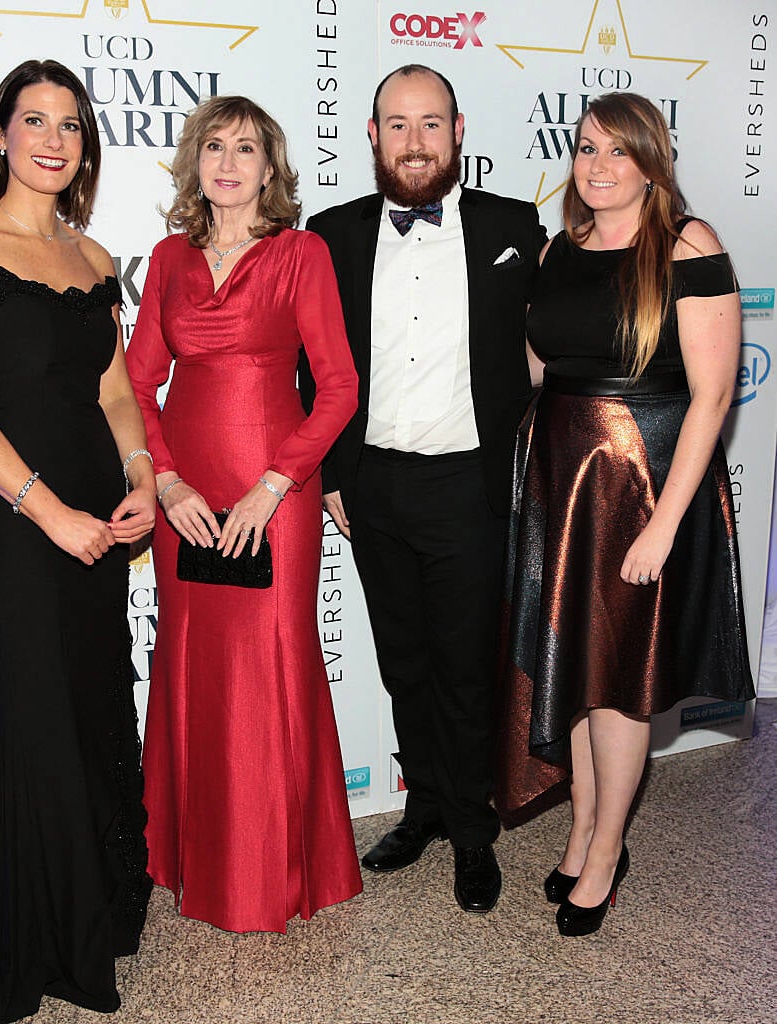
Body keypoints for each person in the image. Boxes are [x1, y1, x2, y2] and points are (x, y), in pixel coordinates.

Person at [0, 60, 154, 1021]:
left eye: (69, 123)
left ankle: (96, 907)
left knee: (98, 706)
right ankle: (41, 934)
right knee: (40, 716)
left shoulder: (96, 259)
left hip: (103, 522)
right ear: (1, 137)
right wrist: (47, 509)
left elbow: (111, 392)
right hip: (24, 529)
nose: (53, 139)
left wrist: (142, 473)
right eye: (34, 120)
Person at [495, 92, 756, 936]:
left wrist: (664, 524)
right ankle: (577, 830)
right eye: (584, 148)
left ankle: (607, 851)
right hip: (560, 479)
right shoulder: (556, 247)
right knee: (570, 672)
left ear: (651, 160)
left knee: (619, 684)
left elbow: (712, 395)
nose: (598, 165)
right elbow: (540, 369)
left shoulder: (687, 245)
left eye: (618, 150)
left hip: (643, 483)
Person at [300, 65, 546, 914]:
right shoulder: (328, 235)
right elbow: (309, 365)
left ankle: (473, 833)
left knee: (467, 670)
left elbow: (554, 344)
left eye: (430, 123)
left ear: (459, 128)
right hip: (373, 486)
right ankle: (426, 807)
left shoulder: (513, 228)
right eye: (396, 125)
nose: (414, 141)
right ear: (370, 135)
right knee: (404, 664)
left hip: (471, 488)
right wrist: (331, 474)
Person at [124, 94, 362, 934]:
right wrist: (167, 481)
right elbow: (133, 384)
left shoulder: (301, 254)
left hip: (276, 495)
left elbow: (336, 387)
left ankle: (273, 870)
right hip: (184, 500)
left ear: (271, 168)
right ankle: (186, 858)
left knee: (270, 660)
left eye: (247, 148)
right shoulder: (167, 259)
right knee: (190, 661)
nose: (228, 162)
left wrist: (274, 484)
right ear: (195, 162)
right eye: (214, 146)